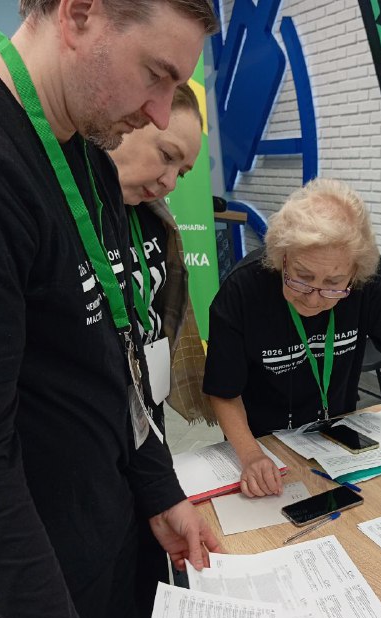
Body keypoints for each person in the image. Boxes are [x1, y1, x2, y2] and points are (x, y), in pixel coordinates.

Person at [0, 1, 221, 618]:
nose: (159, 111)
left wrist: (157, 485)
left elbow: (112, 359)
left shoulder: (86, 156)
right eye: (156, 75)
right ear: (81, 14)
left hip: (106, 554)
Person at [203, 178, 381, 501]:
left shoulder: (370, 279)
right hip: (262, 440)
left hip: (334, 435)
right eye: (302, 277)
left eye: (334, 284)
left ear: (355, 272)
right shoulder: (243, 289)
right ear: (282, 256)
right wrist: (251, 455)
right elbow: (224, 391)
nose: (314, 299)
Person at [110, 81, 216, 430]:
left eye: (181, 173)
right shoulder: (67, 216)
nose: (169, 182)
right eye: (168, 156)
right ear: (124, 123)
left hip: (144, 399)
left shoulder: (155, 219)